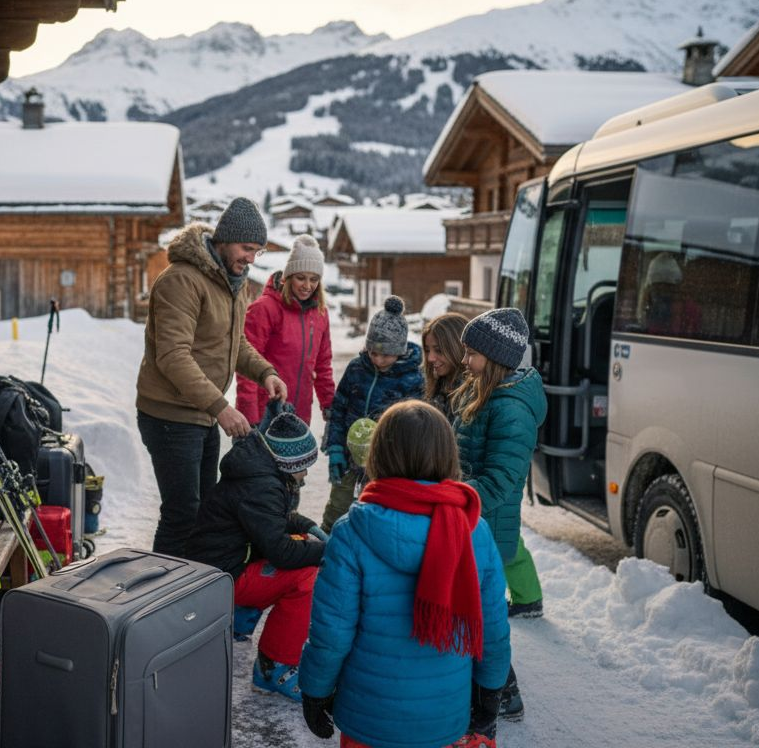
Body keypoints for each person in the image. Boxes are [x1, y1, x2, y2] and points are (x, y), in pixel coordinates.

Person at [299, 400, 512, 748]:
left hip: (368, 719)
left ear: (379, 454)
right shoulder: (474, 531)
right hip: (444, 719)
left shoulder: (352, 531)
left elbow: (331, 632)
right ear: (447, 454)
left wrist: (315, 691)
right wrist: (490, 692)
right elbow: (493, 629)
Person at [136, 197, 288, 558]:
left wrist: (265, 372)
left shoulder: (233, 282)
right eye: (246, 248)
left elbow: (234, 343)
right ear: (224, 240)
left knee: (205, 510)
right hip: (170, 416)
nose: (251, 258)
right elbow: (173, 356)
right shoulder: (181, 281)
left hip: (202, 414)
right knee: (181, 513)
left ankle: (191, 590)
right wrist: (221, 407)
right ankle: (159, 599)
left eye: (258, 251)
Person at [185, 401, 326, 702]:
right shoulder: (262, 485)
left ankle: (242, 616)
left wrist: (310, 528)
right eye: (303, 466)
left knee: (301, 542)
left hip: (221, 564)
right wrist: (327, 551)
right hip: (222, 577)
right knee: (306, 577)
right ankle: (273, 668)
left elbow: (273, 520)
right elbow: (281, 553)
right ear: (288, 463)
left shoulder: (258, 469)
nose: (305, 475)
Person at [451, 307, 547, 722]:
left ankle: (504, 692)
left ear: (495, 359)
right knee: (473, 611)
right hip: (474, 518)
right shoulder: (485, 389)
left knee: (482, 616)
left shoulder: (511, 408)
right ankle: (477, 681)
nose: (464, 360)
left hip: (485, 523)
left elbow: (502, 478)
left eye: (471, 353)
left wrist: (456, 497)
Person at [321, 295, 424, 532]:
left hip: (385, 465)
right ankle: (325, 547)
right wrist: (336, 447)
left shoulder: (412, 379)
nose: (378, 359)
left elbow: (414, 426)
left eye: (386, 354)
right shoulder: (357, 368)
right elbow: (339, 408)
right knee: (337, 509)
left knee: (373, 516)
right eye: (373, 352)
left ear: (399, 350)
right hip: (348, 457)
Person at [235, 234, 335, 426]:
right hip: (264, 413)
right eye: (300, 278)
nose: (307, 286)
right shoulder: (264, 308)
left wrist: (329, 405)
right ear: (288, 277)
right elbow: (245, 366)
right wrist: (249, 416)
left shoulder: (320, 314)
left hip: (299, 414)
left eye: (314, 279)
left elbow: (323, 366)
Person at [422, 312, 470, 420]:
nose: (430, 358)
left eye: (438, 350)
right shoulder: (440, 384)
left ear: (458, 348)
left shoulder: (469, 395)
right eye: (427, 350)